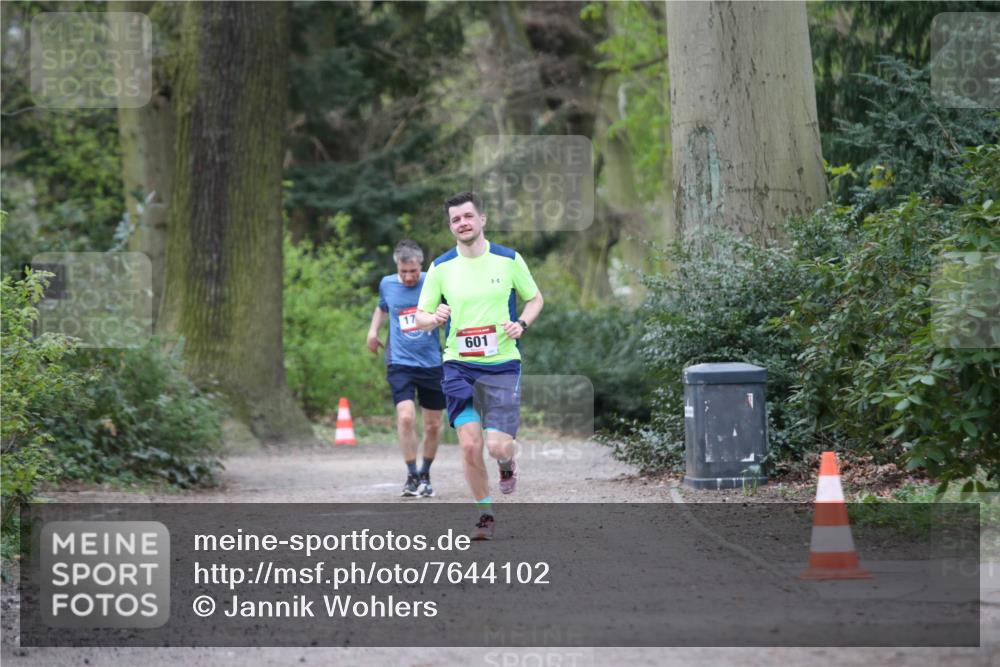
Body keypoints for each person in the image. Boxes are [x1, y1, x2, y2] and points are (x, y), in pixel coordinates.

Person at [415, 192, 543, 540]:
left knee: (497, 446)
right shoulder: (440, 268)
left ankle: (507, 464)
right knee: (470, 445)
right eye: (456, 219)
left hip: (501, 365)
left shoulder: (508, 259)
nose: (463, 223)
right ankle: (484, 514)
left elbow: (534, 298)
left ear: (482, 219)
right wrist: (434, 317)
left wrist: (523, 325)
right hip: (458, 364)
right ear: (451, 226)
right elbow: (420, 316)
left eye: (468, 216)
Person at [367, 240, 445, 498]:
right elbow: (382, 307)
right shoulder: (387, 283)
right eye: (404, 272)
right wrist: (373, 331)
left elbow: (450, 310)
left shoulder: (433, 282)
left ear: (420, 266)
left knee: (433, 425)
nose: (409, 277)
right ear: (397, 267)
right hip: (400, 362)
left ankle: (426, 474)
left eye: (413, 271)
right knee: (406, 417)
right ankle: (411, 475)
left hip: (432, 362)